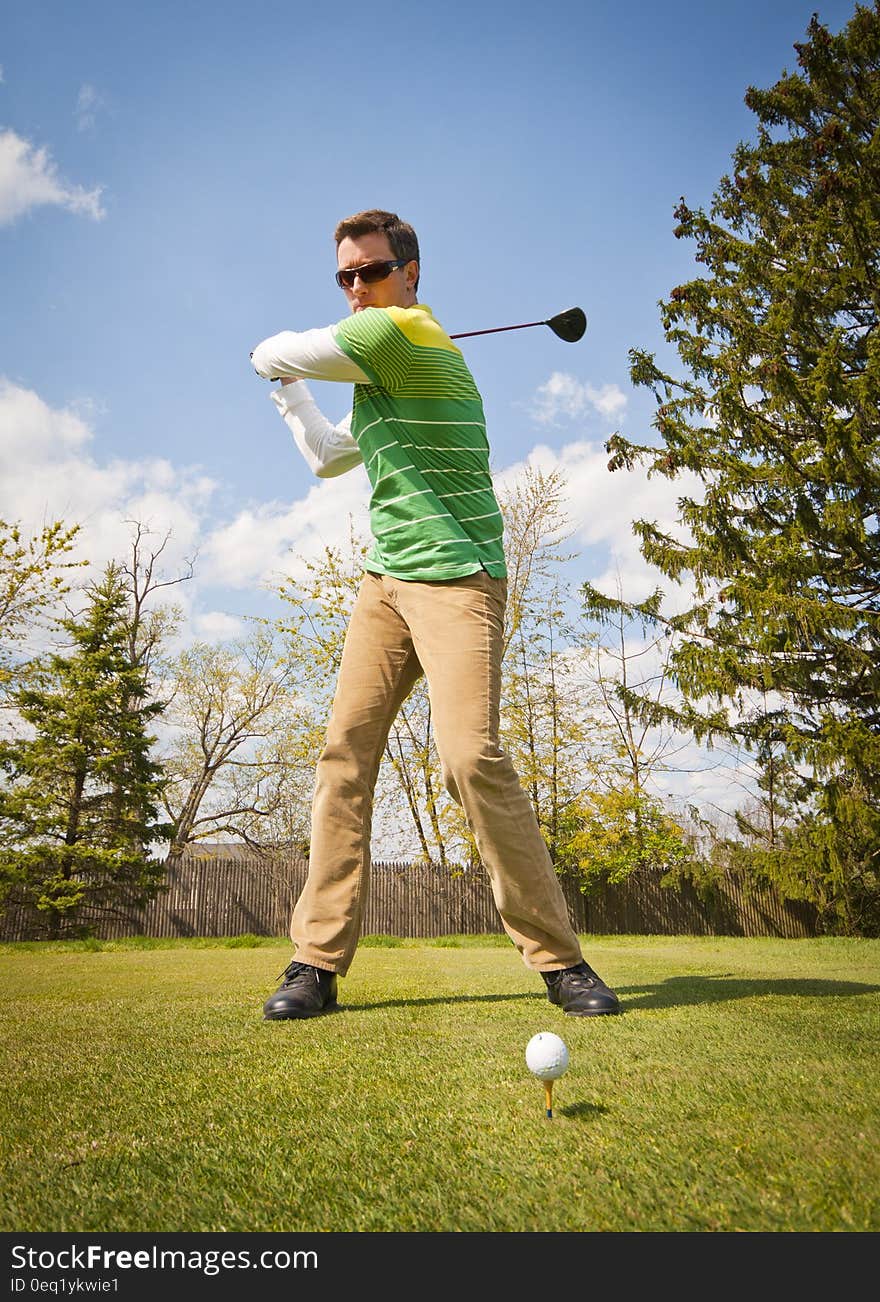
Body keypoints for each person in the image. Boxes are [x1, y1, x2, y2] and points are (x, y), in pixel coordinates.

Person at [250, 209, 620, 1021]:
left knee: (470, 758)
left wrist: (273, 368)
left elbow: (266, 348)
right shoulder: (384, 367)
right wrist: (291, 397)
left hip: (458, 580)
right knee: (343, 756)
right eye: (345, 276)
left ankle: (561, 961)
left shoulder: (397, 336)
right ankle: (315, 962)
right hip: (385, 583)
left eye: (371, 271)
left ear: (411, 274)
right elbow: (326, 457)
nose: (357, 288)